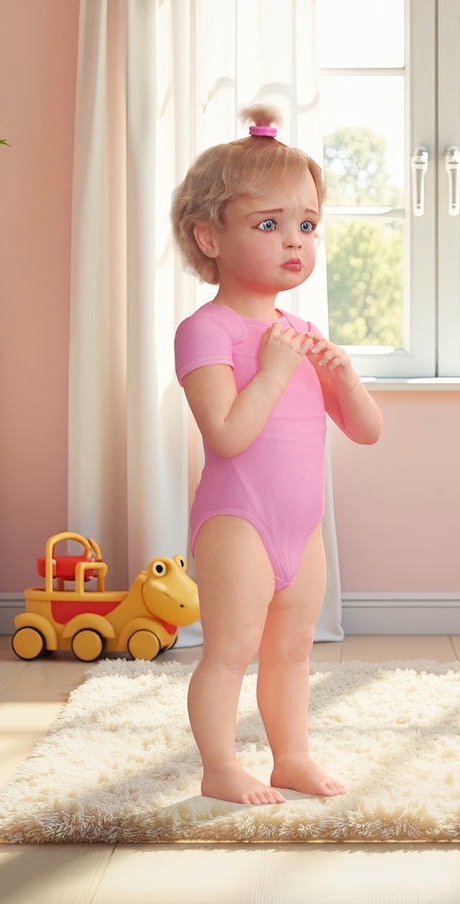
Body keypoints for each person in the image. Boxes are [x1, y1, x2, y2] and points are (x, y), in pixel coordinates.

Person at [170, 104, 384, 805]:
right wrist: (270, 369)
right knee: (230, 652)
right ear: (209, 236)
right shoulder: (206, 331)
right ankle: (220, 767)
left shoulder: (299, 331)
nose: (295, 240)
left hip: (303, 525)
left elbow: (366, 430)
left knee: (293, 651)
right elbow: (227, 435)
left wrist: (344, 375)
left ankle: (290, 756)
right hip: (240, 522)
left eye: (307, 224)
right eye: (269, 224)